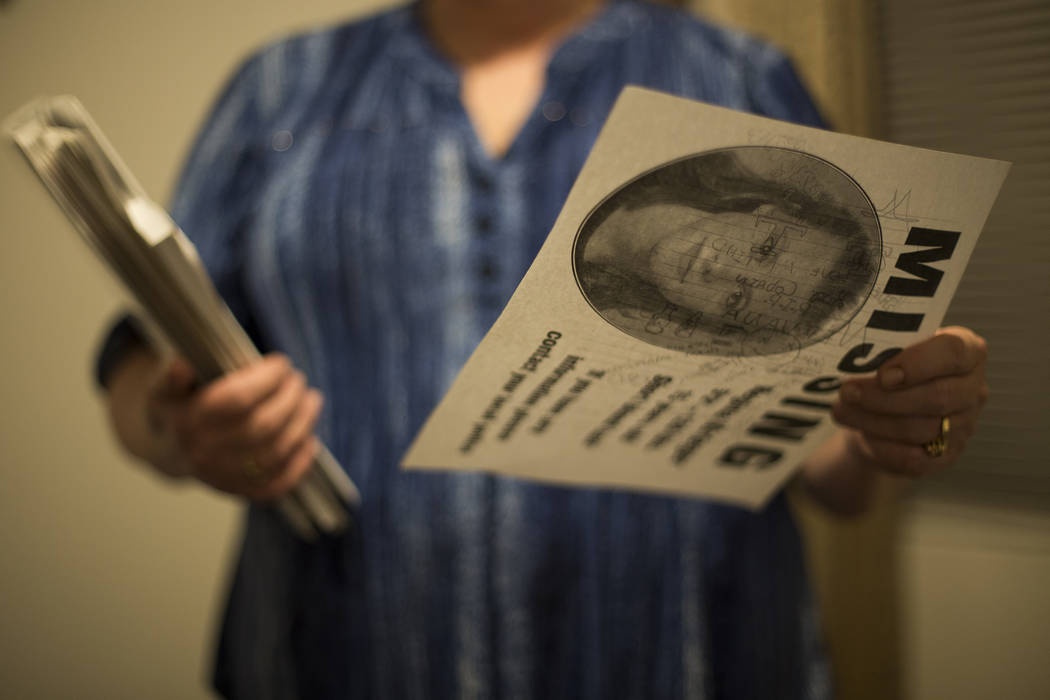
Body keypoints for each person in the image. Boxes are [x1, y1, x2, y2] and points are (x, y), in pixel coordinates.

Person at [99, 0, 989, 698]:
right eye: (757, 254)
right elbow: (145, 353)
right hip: (342, 656)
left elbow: (832, 471)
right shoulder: (280, 87)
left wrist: (888, 429)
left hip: (689, 663)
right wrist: (179, 429)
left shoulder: (736, 75)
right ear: (755, 212)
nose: (727, 270)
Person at [574, 147, 881, 355]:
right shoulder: (657, 151)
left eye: (736, 299)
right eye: (763, 250)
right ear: (771, 212)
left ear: (710, 319)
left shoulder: (590, 319)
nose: (719, 271)